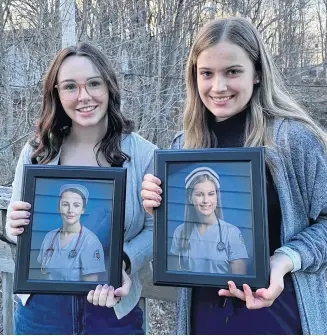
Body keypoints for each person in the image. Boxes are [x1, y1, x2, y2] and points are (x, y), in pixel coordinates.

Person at [141, 17, 327, 335]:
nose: (218, 86)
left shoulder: (293, 140)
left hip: (279, 316)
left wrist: (283, 260)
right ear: (194, 77)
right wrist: (160, 210)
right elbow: (182, 246)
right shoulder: (182, 147)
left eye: (233, 72)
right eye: (207, 74)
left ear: (256, 74)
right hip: (205, 317)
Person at [6, 42, 156, 335]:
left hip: (112, 308)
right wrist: (13, 225)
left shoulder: (144, 155)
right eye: (71, 87)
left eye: (94, 84)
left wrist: (122, 262)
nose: (84, 96)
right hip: (42, 309)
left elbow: (155, 229)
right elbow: (17, 229)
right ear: (57, 94)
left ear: (109, 87)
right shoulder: (37, 152)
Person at [170, 167, 248, 274]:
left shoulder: (232, 233)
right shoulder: (180, 232)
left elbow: (239, 279)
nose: (206, 200)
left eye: (211, 194)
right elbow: (176, 274)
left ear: (216, 197)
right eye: (199, 194)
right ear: (190, 198)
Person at [37, 184, 106, 281]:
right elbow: (40, 275)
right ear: (59, 208)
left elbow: (90, 288)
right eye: (65, 204)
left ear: (83, 209)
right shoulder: (49, 237)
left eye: (76, 205)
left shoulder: (91, 242)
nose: (70, 210)